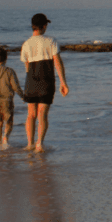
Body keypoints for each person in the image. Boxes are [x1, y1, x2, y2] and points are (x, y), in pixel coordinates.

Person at [20, 13, 69, 152]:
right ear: (45, 26)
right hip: (46, 81)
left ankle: (29, 143)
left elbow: (27, 67)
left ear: (33, 26)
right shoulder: (51, 41)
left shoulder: (26, 43)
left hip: (31, 81)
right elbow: (58, 62)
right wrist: (63, 82)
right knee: (42, 114)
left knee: (31, 114)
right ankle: (39, 144)